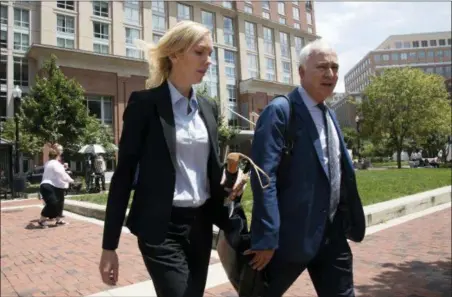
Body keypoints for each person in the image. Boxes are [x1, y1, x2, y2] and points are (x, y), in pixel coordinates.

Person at [99, 21, 246, 297]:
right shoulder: (144, 105)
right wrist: (110, 246)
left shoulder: (209, 108)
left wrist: (230, 182)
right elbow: (123, 176)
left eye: (210, 53)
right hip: (160, 229)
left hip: (201, 225)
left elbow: (208, 171)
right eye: (200, 52)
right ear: (175, 54)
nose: (209, 61)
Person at [248, 39, 366, 297]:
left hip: (331, 234)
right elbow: (264, 177)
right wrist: (267, 236)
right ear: (301, 72)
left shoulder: (329, 113)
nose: (331, 74)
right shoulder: (280, 111)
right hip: (289, 238)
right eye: (322, 67)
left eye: (335, 67)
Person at [38, 144, 74, 228]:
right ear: (57, 153)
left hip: (56, 185)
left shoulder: (50, 163)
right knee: (53, 203)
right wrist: (71, 180)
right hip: (50, 185)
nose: (61, 152)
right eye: (60, 150)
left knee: (60, 203)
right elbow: (61, 174)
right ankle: (42, 219)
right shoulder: (54, 163)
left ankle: (58, 220)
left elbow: (57, 170)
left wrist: (63, 167)